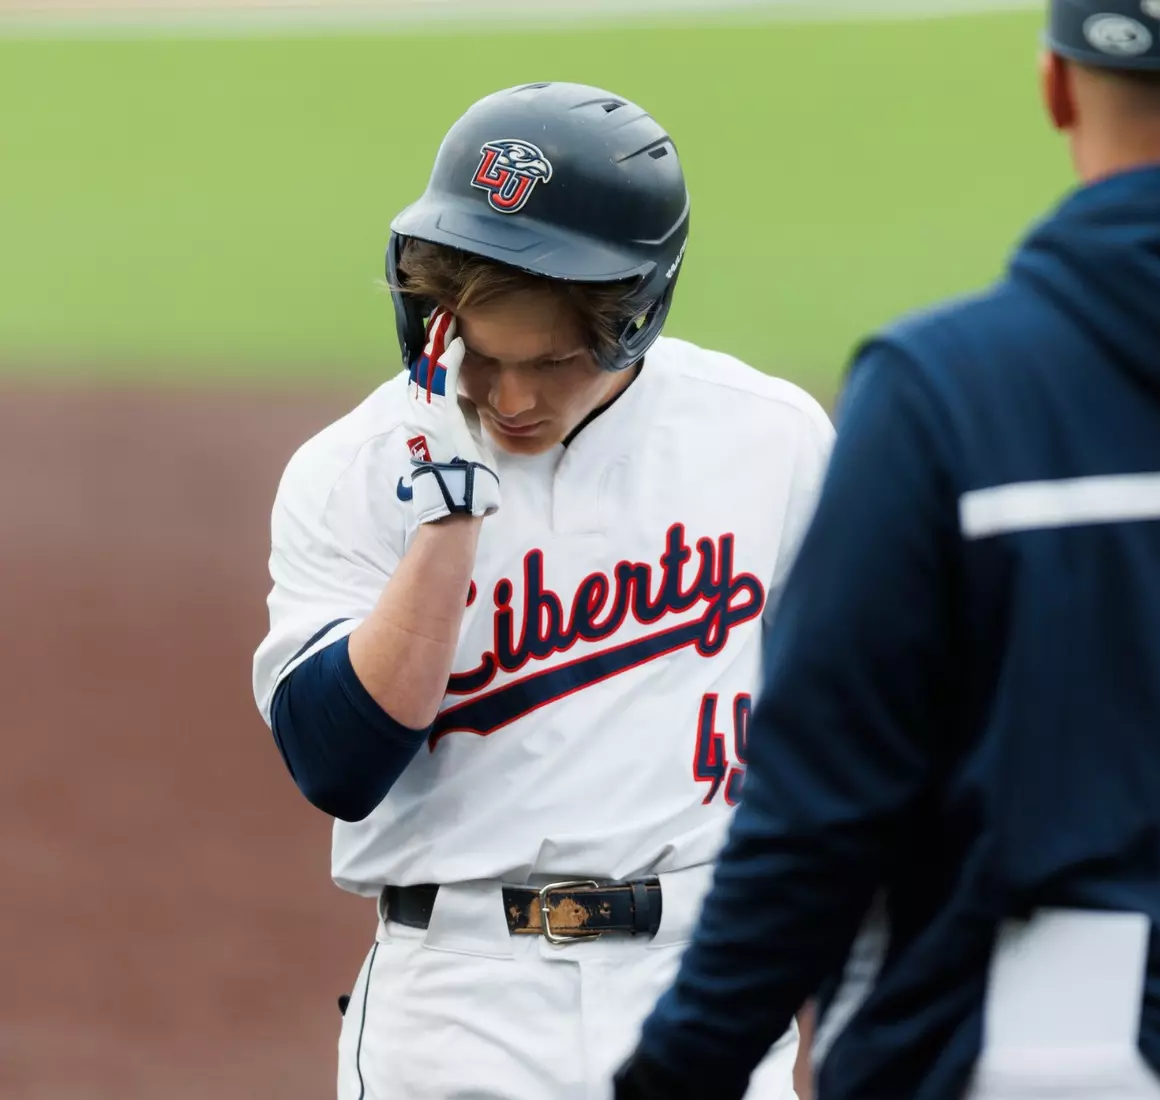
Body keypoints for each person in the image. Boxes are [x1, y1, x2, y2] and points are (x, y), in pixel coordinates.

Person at [613, 1, 1160, 1098]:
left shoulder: (945, 393)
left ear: (1054, 85)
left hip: (1042, 1054)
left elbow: (818, 815)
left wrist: (676, 1071)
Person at [249, 82, 833, 1100]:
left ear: (631, 317)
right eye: (481, 355)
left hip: (698, 978)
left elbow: (854, 729)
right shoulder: (355, 467)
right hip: (454, 997)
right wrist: (446, 514)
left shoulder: (769, 440)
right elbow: (337, 760)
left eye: (552, 361)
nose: (511, 399)